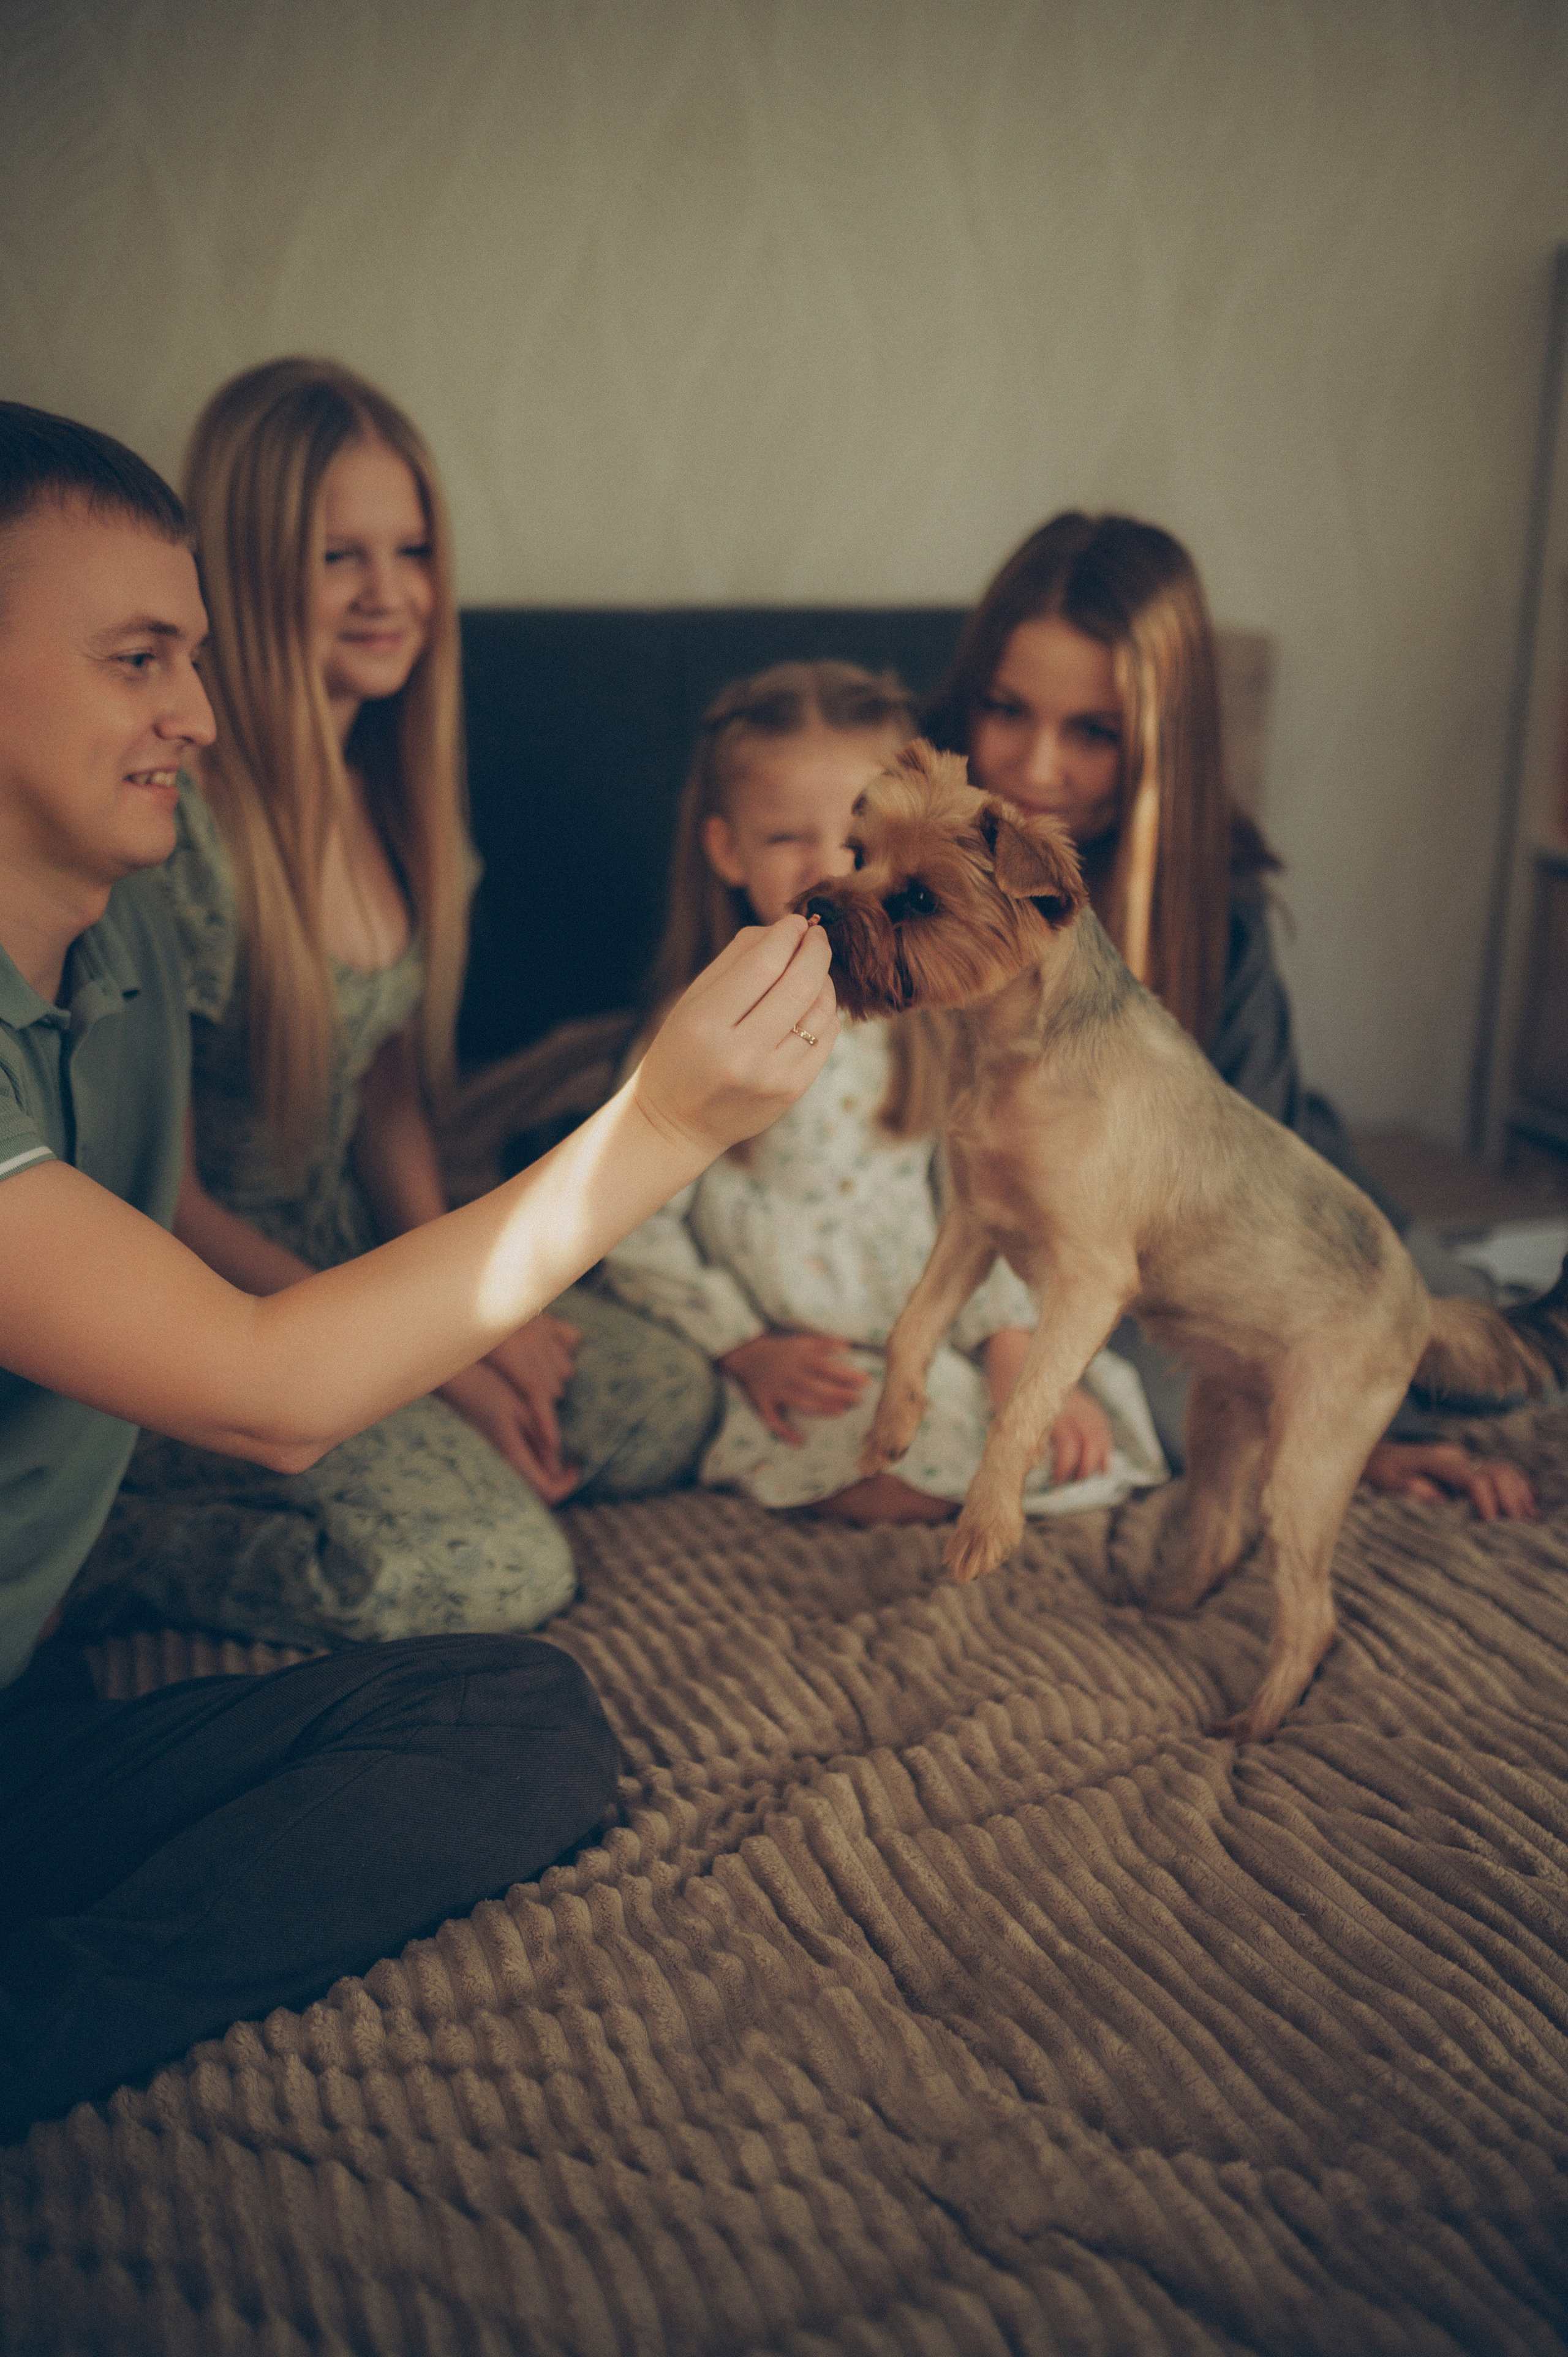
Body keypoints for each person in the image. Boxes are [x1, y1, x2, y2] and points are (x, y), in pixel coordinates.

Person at [0, 401, 837, 2138]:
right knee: (463, 1559)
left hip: (30, 1704)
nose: (200, 718)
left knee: (520, 1725)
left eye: (199, 660)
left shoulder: (128, 929)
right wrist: (662, 1124)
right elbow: (270, 1391)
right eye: (139, 660)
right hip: (206, 1426)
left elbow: (340, 1134)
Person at [63, 360, 719, 1654]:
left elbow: (390, 1099)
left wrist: (490, 1311)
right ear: (250, 575)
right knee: (489, 1569)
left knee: (667, 1399)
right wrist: (444, 1368)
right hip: (227, 1302)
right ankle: (121, 1538)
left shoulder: (394, 792)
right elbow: (163, 1197)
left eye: (412, 549)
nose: (391, 593)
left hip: (367, 1257)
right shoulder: (182, 834)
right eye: (338, 557)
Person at [925, 509, 1536, 1518]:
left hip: (1249, 1193)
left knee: (1468, 1337)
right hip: (1090, 1258)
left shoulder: (1221, 912)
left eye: (1092, 733)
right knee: (1179, 1404)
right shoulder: (913, 857)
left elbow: (1259, 1177)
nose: (1036, 768)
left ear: (1161, 739)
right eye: (1006, 710)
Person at [601, 661, 1168, 1521]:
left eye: (861, 845)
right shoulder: (699, 1031)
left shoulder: (936, 1021)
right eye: (789, 838)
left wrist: (1012, 1344)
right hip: (808, 1354)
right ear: (727, 850)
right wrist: (743, 1346)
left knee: (1054, 1438)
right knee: (879, 1456)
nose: (832, 870)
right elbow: (633, 1219)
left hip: (939, 1329)